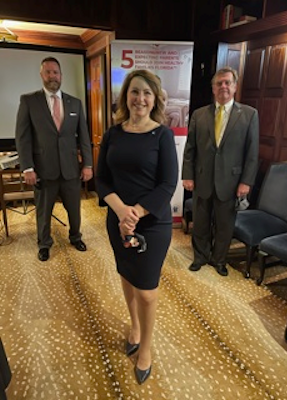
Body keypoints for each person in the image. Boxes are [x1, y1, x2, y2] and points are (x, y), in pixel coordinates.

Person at [95, 69, 178, 384]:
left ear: (154, 98)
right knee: (127, 278)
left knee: (147, 292)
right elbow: (102, 179)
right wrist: (120, 210)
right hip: (118, 221)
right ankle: (134, 326)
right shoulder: (113, 133)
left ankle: (147, 346)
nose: (140, 98)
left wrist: (136, 213)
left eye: (146, 92)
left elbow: (168, 183)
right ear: (125, 96)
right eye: (134, 91)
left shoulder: (163, 135)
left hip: (153, 224)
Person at [182, 66, 259, 277]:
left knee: (225, 225)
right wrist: (187, 175)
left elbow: (252, 153)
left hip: (232, 182)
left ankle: (219, 260)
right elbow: (190, 148)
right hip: (201, 179)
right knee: (201, 223)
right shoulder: (199, 115)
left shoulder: (249, 115)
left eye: (227, 82)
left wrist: (246, 182)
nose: (223, 86)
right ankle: (200, 257)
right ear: (213, 88)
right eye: (219, 83)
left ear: (234, 87)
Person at [15, 57, 93, 262]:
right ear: (42, 75)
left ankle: (76, 237)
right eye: (48, 72)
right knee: (43, 212)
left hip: (70, 171)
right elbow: (22, 137)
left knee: (74, 209)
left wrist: (88, 164)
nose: (52, 76)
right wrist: (27, 168)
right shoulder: (29, 101)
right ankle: (44, 243)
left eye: (55, 72)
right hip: (43, 170)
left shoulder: (75, 103)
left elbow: (84, 137)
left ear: (61, 75)